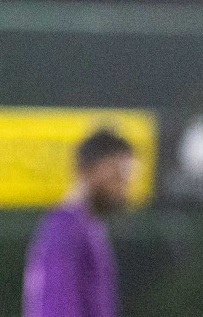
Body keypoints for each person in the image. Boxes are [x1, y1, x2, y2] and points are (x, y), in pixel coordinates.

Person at [23, 130, 136, 317]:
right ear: (88, 169)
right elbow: (57, 308)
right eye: (117, 173)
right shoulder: (66, 228)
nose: (123, 185)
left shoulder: (85, 225)